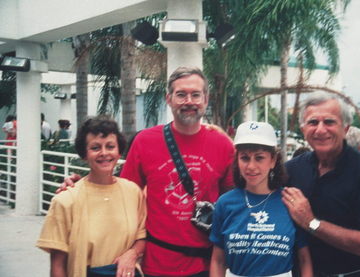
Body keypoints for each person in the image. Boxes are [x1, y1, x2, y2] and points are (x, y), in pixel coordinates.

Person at [59, 67, 235, 277]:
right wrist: (79, 187)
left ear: (205, 99)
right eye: (181, 94)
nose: (189, 101)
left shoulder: (223, 145)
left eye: (195, 94)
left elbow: (235, 199)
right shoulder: (146, 141)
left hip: (204, 265)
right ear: (168, 99)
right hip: (155, 264)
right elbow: (118, 192)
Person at [282, 91, 360, 276]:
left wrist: (311, 222)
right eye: (313, 122)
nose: (320, 129)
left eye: (329, 122)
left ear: (345, 128)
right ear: (303, 129)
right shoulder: (291, 170)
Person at [37, 116, 147, 277]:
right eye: (95, 148)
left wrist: (132, 254)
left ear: (118, 151)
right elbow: (58, 264)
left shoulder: (132, 192)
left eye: (110, 146)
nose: (104, 153)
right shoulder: (65, 200)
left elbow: (142, 236)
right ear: (84, 154)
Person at [210, 121, 313, 277]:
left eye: (259, 158)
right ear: (237, 159)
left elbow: (304, 258)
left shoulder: (290, 201)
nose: (251, 166)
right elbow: (218, 260)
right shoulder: (225, 203)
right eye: (245, 158)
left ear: (273, 160)